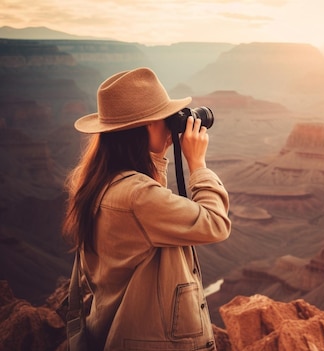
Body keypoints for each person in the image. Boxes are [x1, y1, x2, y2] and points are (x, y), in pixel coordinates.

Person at [62, 67, 231, 350]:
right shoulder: (137, 197)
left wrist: (156, 155)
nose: (170, 126)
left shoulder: (100, 182)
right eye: (164, 119)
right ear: (148, 126)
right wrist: (198, 165)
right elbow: (215, 223)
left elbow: (151, 208)